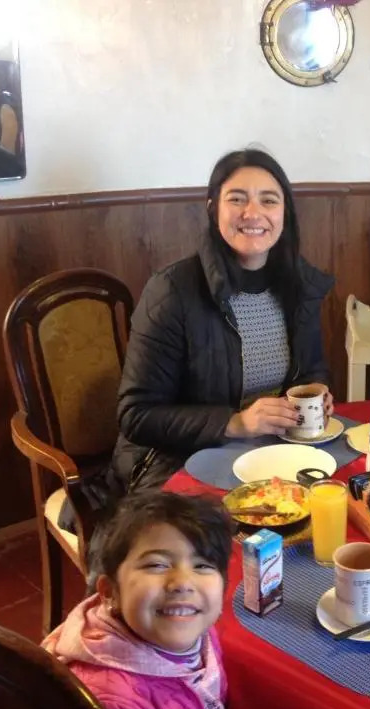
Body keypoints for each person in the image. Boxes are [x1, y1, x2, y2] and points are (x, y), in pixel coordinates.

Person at [110, 148, 335, 494]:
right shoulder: (172, 291)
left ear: (285, 214)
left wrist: (317, 392)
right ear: (213, 207)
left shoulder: (299, 285)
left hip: (270, 452)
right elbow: (136, 415)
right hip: (175, 461)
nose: (253, 213)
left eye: (269, 200)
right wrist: (235, 423)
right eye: (237, 199)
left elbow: (310, 369)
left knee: (339, 495)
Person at [42, 491, 233, 709]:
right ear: (110, 592)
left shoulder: (197, 632)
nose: (182, 582)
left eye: (202, 565)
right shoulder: (112, 700)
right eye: (157, 565)